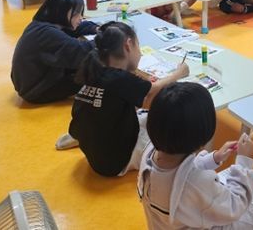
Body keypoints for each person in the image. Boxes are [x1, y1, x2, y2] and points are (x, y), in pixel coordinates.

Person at [138, 82, 253, 229]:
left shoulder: (153, 152)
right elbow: (235, 206)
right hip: (218, 218)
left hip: (185, 217)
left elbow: (183, 172)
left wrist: (215, 157)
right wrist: (243, 161)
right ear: (201, 135)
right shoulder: (196, 184)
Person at [68, 22, 189, 177]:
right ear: (128, 45)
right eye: (138, 46)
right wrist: (179, 73)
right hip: (117, 162)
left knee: (140, 114)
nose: (140, 53)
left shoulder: (96, 70)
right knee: (171, 126)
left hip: (95, 154)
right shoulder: (119, 78)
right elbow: (151, 94)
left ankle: (82, 137)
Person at [11, 0, 95, 104]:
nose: (80, 17)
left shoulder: (42, 24)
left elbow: (74, 28)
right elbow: (80, 51)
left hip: (32, 81)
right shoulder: (48, 34)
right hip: (37, 90)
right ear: (61, 12)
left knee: (86, 65)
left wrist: (96, 28)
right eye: (76, 14)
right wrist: (106, 39)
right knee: (97, 71)